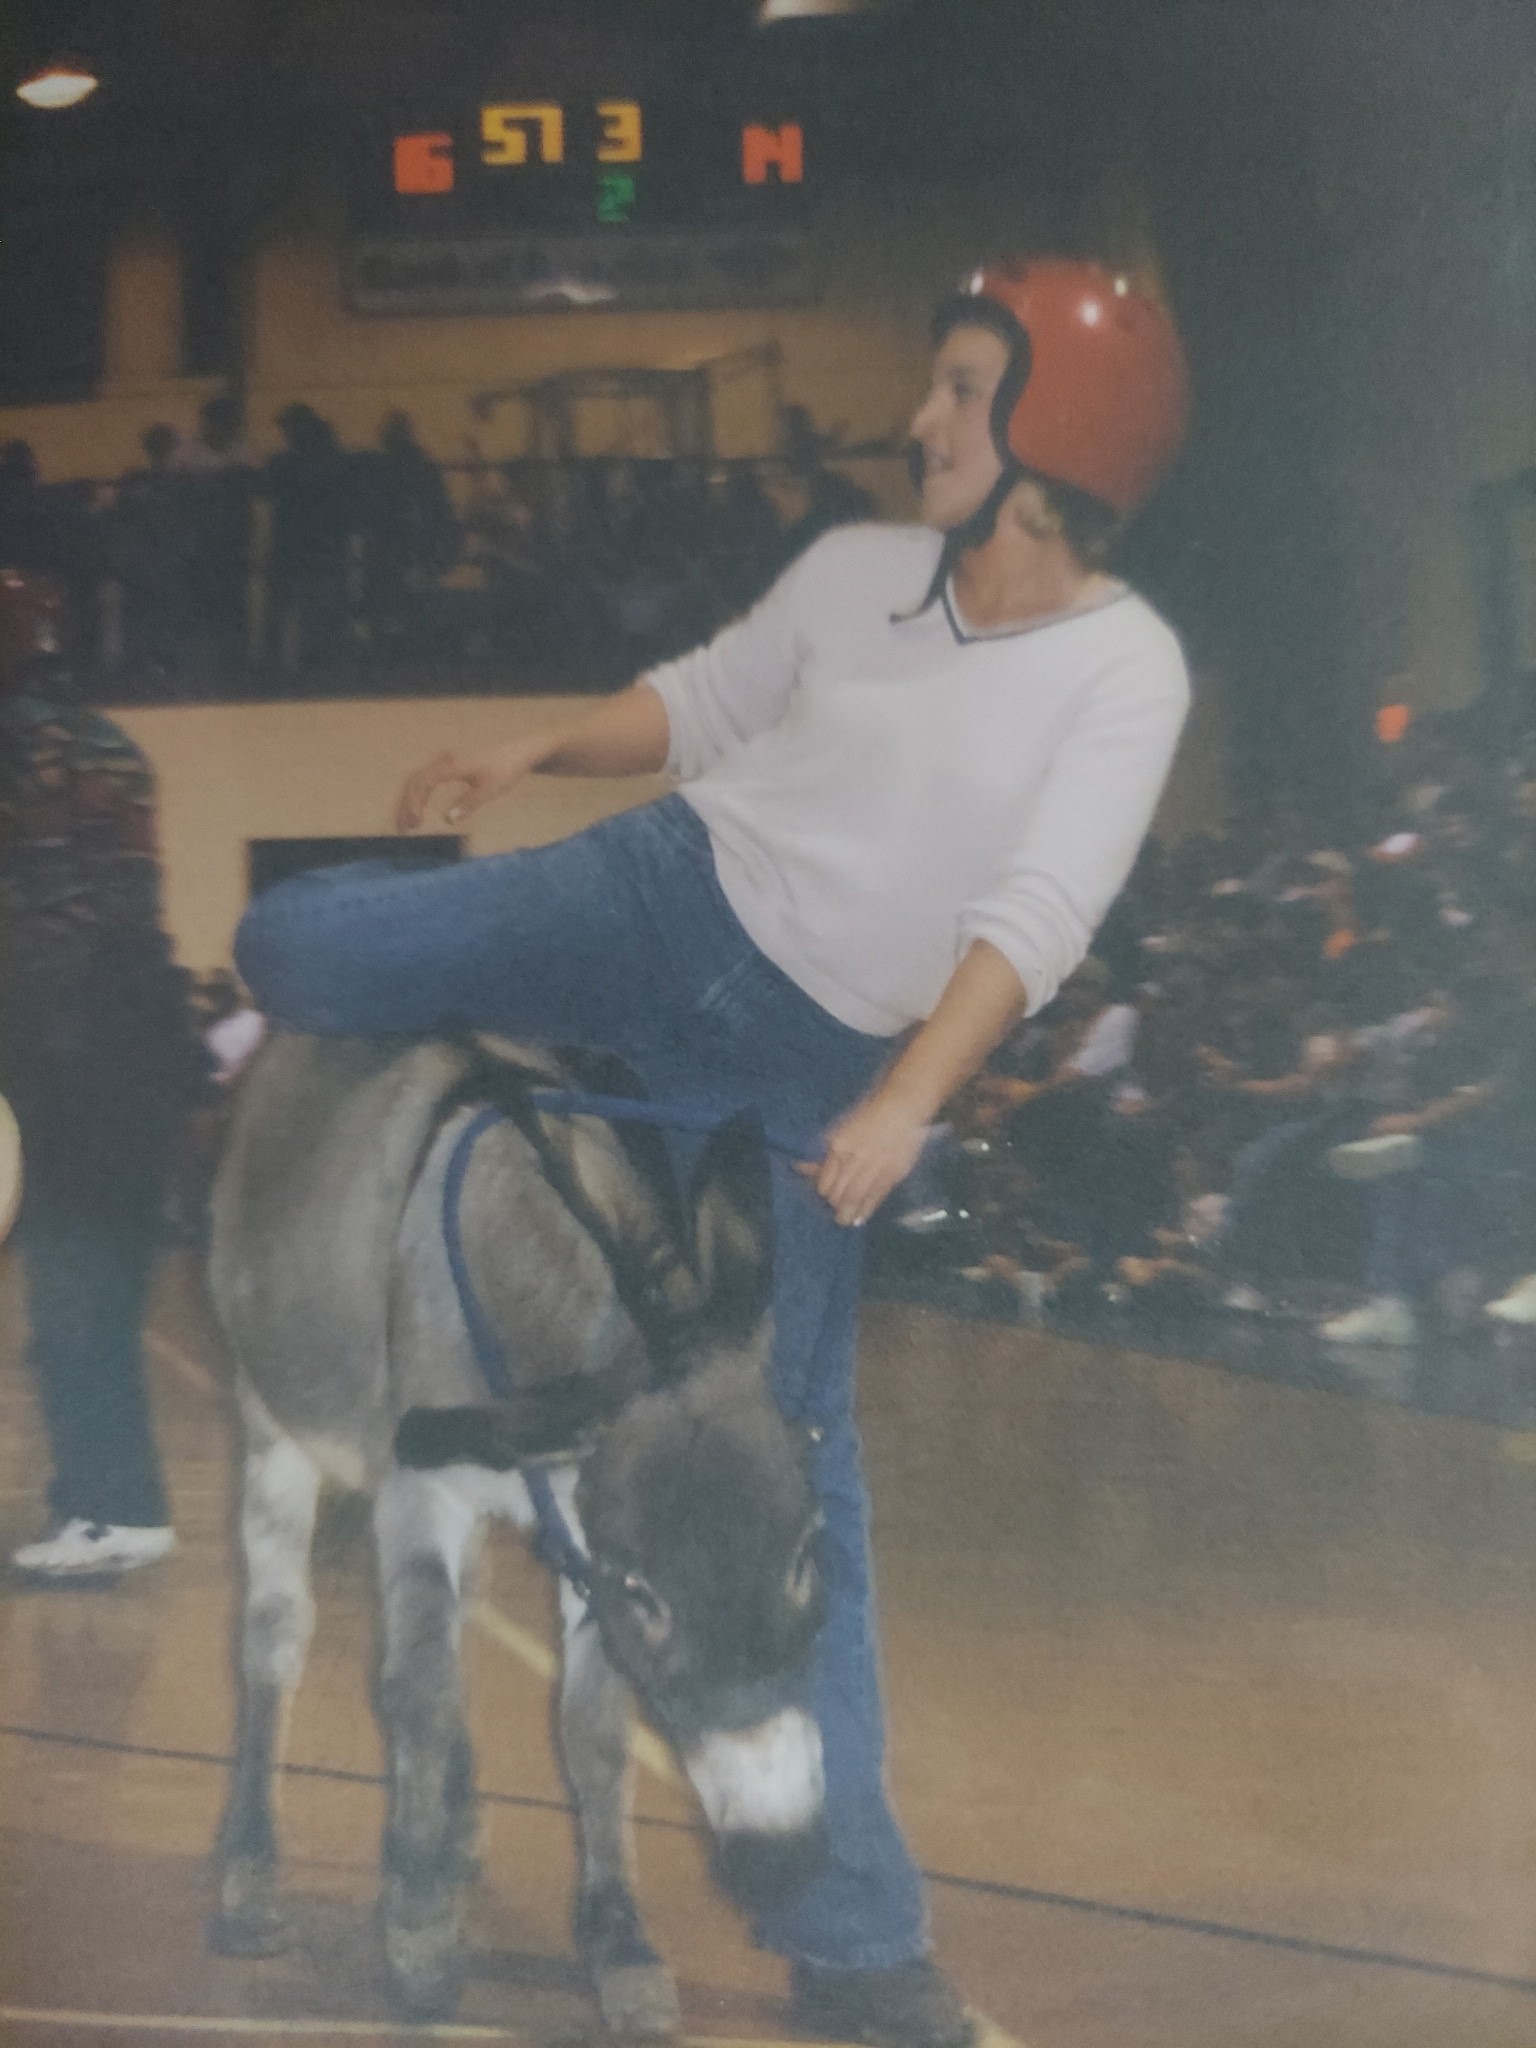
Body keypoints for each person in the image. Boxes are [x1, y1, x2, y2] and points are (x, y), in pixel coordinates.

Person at [234, 258, 1191, 2047]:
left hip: (810, 1054)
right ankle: (506, 1074)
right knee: (287, 949)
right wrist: (540, 742)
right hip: (655, 893)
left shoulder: (1124, 665)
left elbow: (1042, 906)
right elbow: (703, 703)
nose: (919, 416)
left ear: (1053, 439)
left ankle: (856, 1944)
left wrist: (903, 1099)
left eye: (961, 389)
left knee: (800, 1461)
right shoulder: (854, 571)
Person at [0, 567, 199, 1576]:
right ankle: (103, 1499)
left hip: (68, 1056)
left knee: (76, 1295)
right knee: (96, 1295)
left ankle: (114, 1507)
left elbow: (46, 935)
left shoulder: (23, 752)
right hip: (131, 1045)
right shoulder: (105, 744)